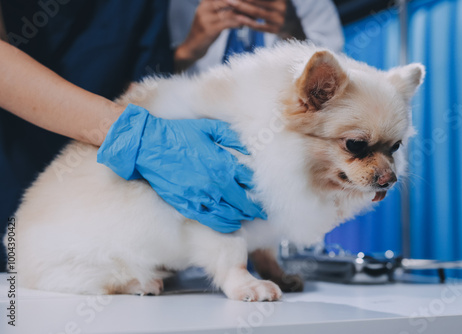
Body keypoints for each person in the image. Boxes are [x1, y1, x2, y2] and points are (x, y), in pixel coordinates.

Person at [0, 1, 265, 270]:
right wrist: (137, 134)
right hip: (16, 166)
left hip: (109, 186)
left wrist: (187, 52)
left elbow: (141, 79)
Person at [169, 0, 344, 74]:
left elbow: (336, 73)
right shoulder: (176, 6)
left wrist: (294, 32)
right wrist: (189, 50)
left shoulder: (305, 5)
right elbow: (150, 80)